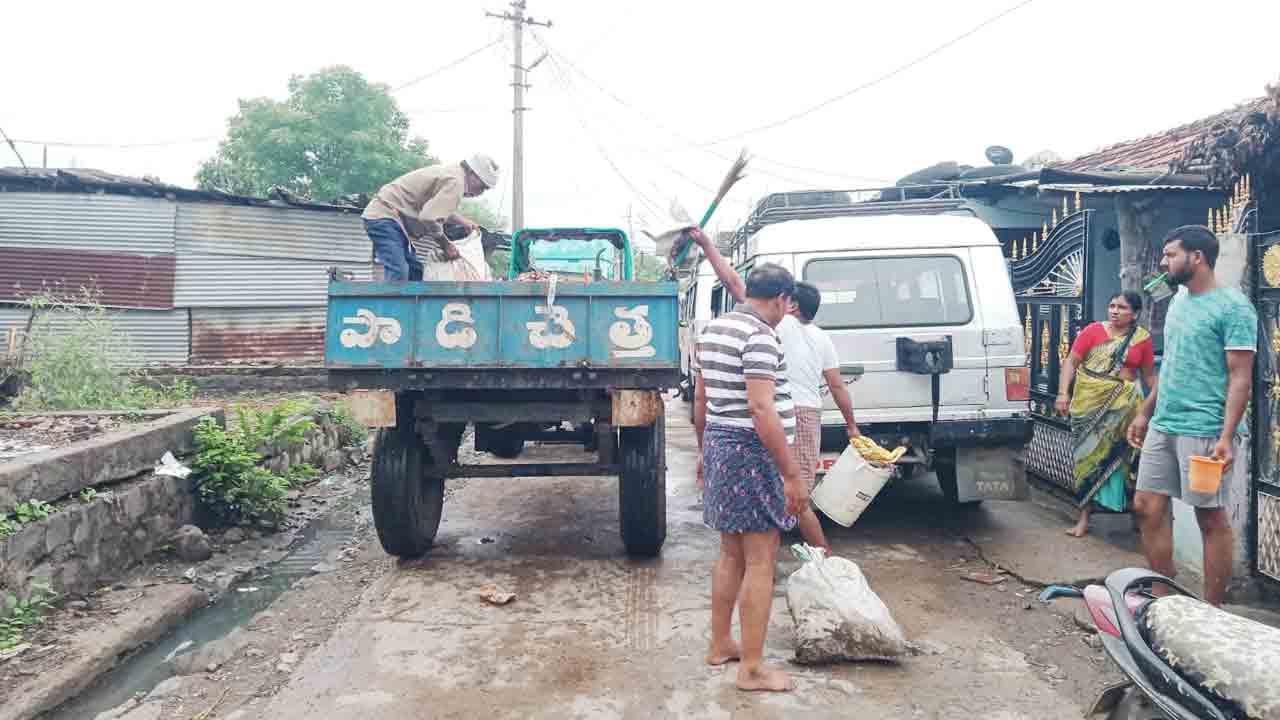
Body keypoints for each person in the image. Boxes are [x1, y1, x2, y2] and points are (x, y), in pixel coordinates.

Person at [687, 227, 860, 555]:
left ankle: (792, 554)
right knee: (797, 493)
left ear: (792, 305)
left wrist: (708, 245)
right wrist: (851, 426)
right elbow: (836, 385)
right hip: (800, 416)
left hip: (773, 417)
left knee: (781, 496)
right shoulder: (813, 336)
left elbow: (735, 284)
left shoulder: (776, 326)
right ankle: (823, 559)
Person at [1127, 225, 1256, 606]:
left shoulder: (1233, 308)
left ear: (1196, 257)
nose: (1164, 262)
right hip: (1165, 424)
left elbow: (1240, 377)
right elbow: (1173, 366)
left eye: (1170, 254)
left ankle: (1212, 610)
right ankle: (1164, 599)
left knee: (1209, 517)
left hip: (1205, 428)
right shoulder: (1179, 300)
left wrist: (1226, 436)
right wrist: (1145, 412)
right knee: (1146, 506)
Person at [693, 263, 805, 693]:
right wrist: (791, 473)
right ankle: (752, 669)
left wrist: (705, 450)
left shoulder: (716, 330)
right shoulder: (760, 337)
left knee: (730, 555)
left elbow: (702, 398)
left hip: (722, 444)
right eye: (786, 306)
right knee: (761, 559)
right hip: (752, 453)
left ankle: (721, 643)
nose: (785, 313)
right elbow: (762, 410)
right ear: (780, 299)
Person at [1055, 291, 1156, 538]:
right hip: (1089, 405)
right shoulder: (1092, 332)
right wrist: (1062, 393)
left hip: (1126, 408)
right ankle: (1084, 518)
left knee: (1128, 459)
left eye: (1121, 307)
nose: (1114, 311)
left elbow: (1149, 376)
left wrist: (1157, 403)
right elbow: (1071, 362)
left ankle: (1136, 517)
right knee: (1087, 461)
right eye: (1112, 305)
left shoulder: (1141, 339)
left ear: (1134, 314)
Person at [362, 155, 500, 281]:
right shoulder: (456, 182)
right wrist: (446, 245)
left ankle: (412, 308)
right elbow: (429, 218)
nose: (480, 193)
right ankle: (391, 308)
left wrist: (463, 221)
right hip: (384, 216)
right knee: (399, 271)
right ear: (472, 174)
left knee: (415, 272)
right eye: (482, 187)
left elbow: (434, 209)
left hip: (393, 219)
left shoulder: (453, 173)